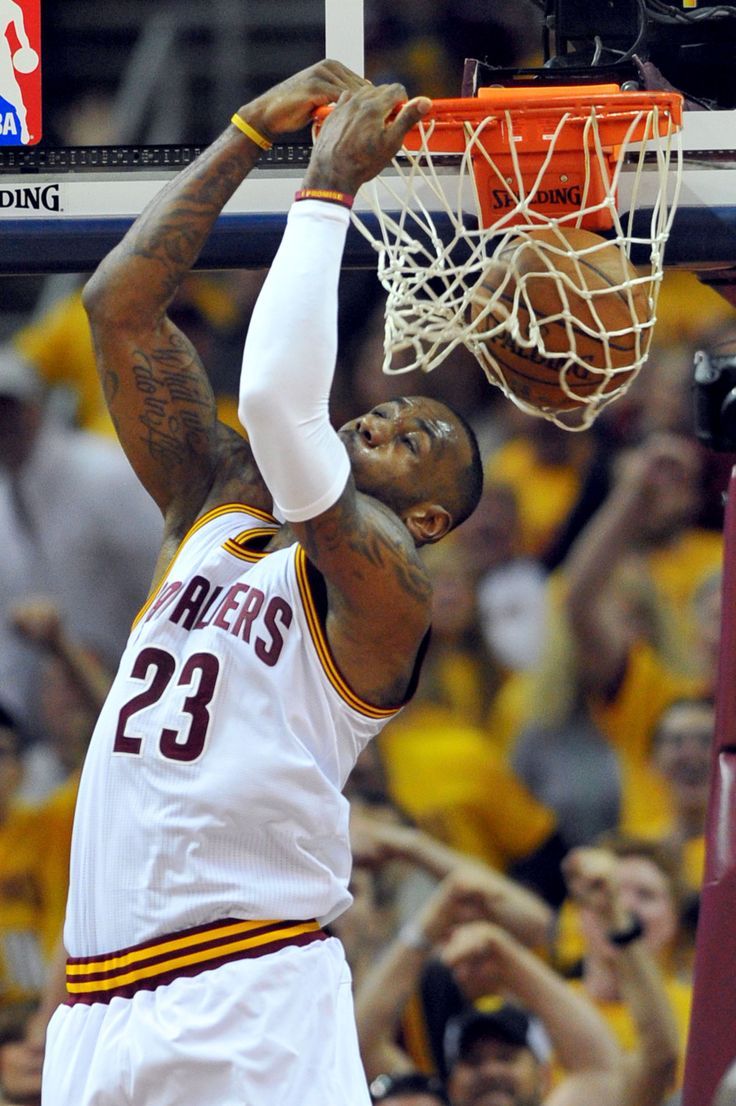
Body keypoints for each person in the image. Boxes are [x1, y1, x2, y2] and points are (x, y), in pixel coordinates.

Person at [40, 62, 484, 1106]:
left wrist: (329, 186)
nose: (388, 414)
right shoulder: (215, 496)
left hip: (251, 991)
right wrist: (247, 130)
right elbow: (117, 307)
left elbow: (283, 403)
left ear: (427, 520)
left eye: (419, 438)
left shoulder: (386, 590)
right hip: (96, 1005)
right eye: (395, 404)